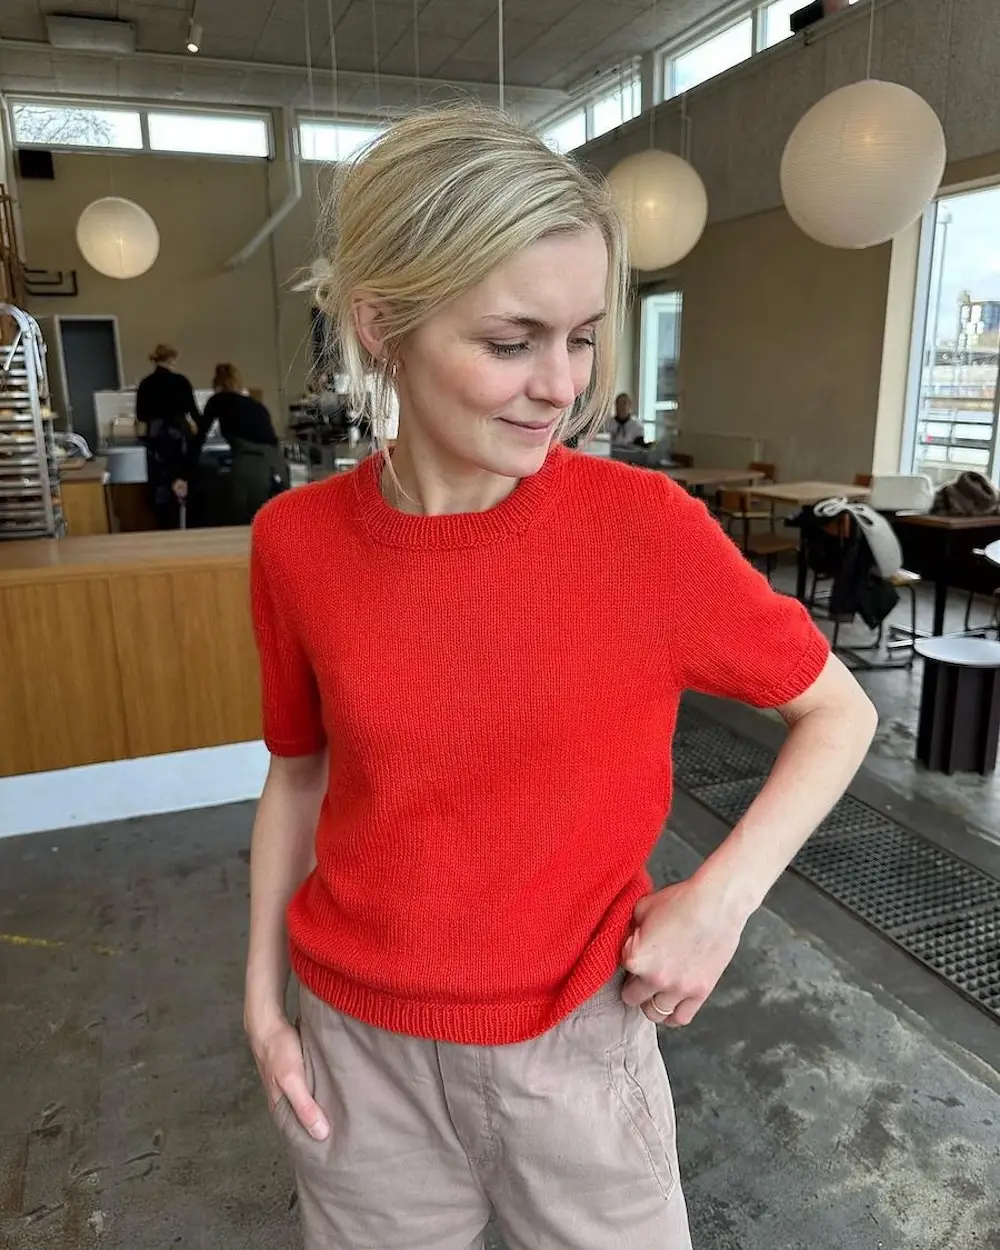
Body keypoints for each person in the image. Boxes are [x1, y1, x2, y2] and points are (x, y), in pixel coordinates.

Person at [245, 104, 877, 1250]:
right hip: (356, 1045)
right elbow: (297, 778)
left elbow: (837, 708)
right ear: (384, 325)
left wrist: (718, 900)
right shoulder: (296, 542)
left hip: (576, 1046)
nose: (561, 385)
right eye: (511, 340)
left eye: (582, 336)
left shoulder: (641, 531)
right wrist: (260, 1006)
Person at [200, 363, 288, 524]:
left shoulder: (218, 399)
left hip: (251, 465)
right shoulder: (256, 405)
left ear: (217, 384)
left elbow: (200, 436)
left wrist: (183, 474)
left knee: (242, 521)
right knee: (271, 522)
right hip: (276, 465)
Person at [135, 343, 199, 529]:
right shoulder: (181, 381)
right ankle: (185, 525)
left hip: (157, 439)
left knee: (161, 489)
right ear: (172, 359)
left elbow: (141, 415)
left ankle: (164, 529)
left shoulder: (146, 383)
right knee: (183, 484)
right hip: (179, 438)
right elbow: (194, 413)